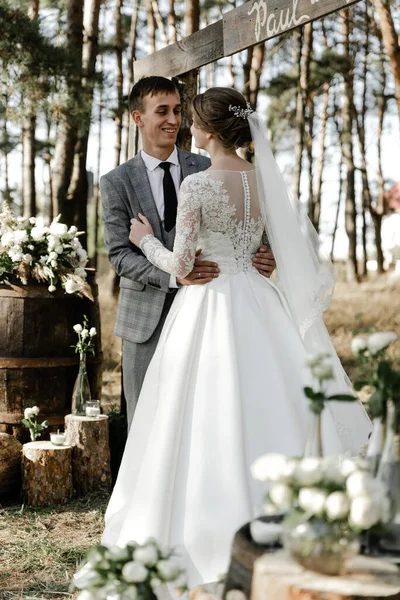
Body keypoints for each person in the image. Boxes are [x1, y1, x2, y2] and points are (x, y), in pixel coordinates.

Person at [102, 88, 371, 588]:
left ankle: (210, 525)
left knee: (206, 409)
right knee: (272, 400)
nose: (185, 127)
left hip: (209, 302)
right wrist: (260, 254)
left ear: (207, 130)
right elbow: (274, 242)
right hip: (257, 299)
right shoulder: (262, 182)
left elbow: (182, 265)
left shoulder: (200, 184)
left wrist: (146, 241)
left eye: (191, 120)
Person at [100, 77, 276, 428]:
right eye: (162, 111)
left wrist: (267, 255)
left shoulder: (205, 167)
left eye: (179, 111)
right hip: (145, 320)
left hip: (218, 314)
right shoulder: (115, 181)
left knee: (215, 415)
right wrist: (174, 276)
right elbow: (119, 254)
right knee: (147, 425)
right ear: (138, 118)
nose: (174, 119)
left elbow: (259, 231)